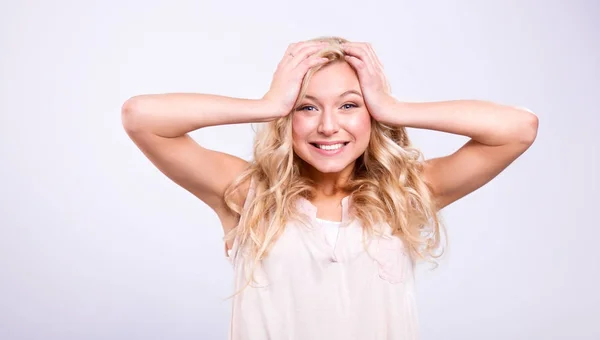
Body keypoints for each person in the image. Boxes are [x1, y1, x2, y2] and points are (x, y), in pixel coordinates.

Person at [121, 36, 538, 340]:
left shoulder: (405, 193)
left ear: (370, 113)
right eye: (307, 107)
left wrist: (393, 108)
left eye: (349, 105)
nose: (327, 126)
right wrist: (267, 104)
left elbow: (519, 129)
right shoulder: (249, 193)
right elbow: (141, 116)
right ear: (289, 117)